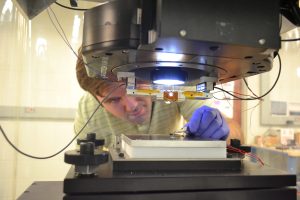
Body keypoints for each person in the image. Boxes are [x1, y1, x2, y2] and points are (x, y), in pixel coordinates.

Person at [74, 49, 230, 147]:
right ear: (97, 101)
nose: (132, 106)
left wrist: (217, 128)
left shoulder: (174, 83)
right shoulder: (88, 111)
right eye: (113, 100)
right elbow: (87, 168)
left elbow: (230, 135)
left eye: (133, 87)